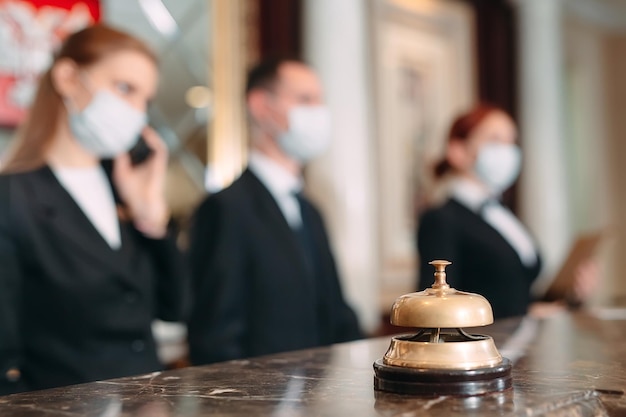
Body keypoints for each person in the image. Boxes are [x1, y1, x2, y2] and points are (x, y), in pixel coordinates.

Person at [0, 25, 188, 395]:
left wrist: (151, 215)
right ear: (68, 78)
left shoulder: (123, 188)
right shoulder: (12, 198)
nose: (135, 112)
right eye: (124, 89)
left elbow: (176, 308)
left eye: (144, 99)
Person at [187, 57, 362, 365]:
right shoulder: (226, 208)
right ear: (261, 106)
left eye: (320, 100)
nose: (318, 111)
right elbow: (215, 335)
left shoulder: (311, 210)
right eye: (305, 99)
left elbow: (336, 313)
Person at [416, 103, 595, 319]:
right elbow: (439, 309)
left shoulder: (500, 213)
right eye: (495, 140)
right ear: (458, 150)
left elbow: (516, 294)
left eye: (511, 141)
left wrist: (570, 295)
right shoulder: (441, 219)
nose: (507, 151)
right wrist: (525, 314)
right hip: (484, 348)